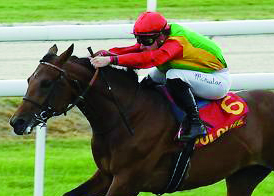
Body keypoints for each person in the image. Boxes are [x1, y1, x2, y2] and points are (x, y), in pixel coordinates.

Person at [89, 11, 230, 142]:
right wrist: (108, 53)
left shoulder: (176, 42)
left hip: (216, 80)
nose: (142, 45)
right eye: (139, 39)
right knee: (151, 79)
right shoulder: (160, 35)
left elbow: (152, 59)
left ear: (161, 36)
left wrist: (113, 60)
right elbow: (136, 49)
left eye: (147, 41)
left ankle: (196, 124)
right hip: (192, 70)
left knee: (173, 75)